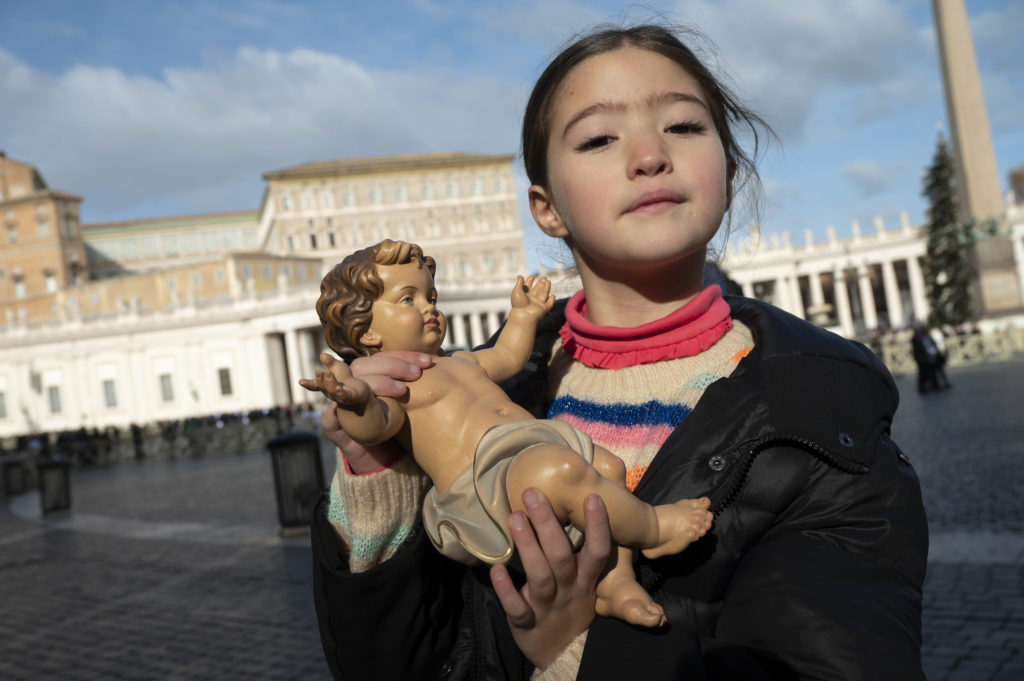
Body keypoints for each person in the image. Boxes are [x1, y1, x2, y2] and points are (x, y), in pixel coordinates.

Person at [309, 23, 928, 681]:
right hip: (488, 486)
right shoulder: (495, 385)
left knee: (589, 471)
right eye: (600, 137)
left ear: (729, 163)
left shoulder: (830, 417)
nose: (649, 155)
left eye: (685, 126)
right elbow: (390, 664)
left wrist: (570, 653)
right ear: (547, 210)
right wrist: (377, 470)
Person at [300, 239, 713, 627]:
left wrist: (522, 316)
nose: (429, 308)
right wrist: (353, 400)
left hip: (529, 451)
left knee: (607, 464)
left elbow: (508, 355)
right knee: (562, 470)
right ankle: (654, 529)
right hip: (482, 486)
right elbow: (374, 427)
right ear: (367, 331)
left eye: (432, 297)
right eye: (409, 299)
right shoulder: (392, 386)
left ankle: (617, 581)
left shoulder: (461, 361)